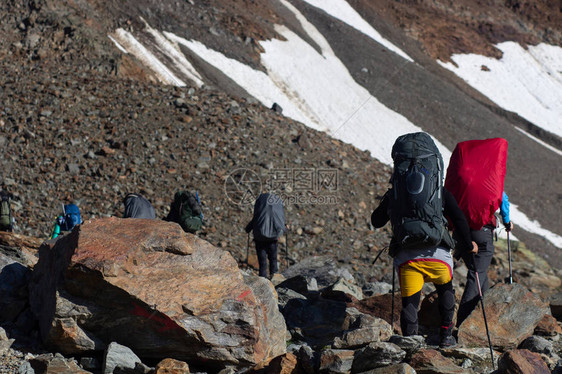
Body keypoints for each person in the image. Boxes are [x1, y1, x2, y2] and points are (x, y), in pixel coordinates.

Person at [371, 132, 477, 348]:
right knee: (446, 289)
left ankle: (410, 342)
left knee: (410, 302)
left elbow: (376, 221)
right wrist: (468, 246)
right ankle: (446, 335)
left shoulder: (395, 194)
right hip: (437, 254)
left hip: (408, 257)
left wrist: (392, 202)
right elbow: (460, 220)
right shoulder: (440, 193)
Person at [456, 192, 513, 327]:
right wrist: (507, 221)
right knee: (476, 273)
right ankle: (462, 322)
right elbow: (503, 199)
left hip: (461, 230)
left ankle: (483, 315)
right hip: (483, 230)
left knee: (480, 273)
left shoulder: (465, 177)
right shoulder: (490, 180)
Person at [245, 193, 286, 279]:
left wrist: (247, 229)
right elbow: (280, 222)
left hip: (259, 239)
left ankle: (263, 282)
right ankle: (274, 280)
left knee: (262, 263)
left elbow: (254, 221)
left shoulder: (260, 212)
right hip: (272, 239)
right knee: (273, 260)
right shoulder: (275, 212)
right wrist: (284, 228)